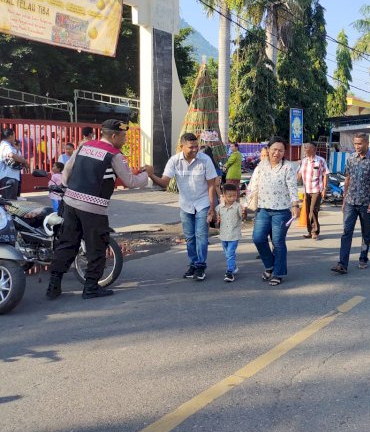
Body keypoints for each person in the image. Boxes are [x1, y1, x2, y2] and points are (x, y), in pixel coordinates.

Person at [47, 120, 149, 300]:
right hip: (93, 209)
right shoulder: (114, 154)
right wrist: (147, 174)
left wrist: (66, 189)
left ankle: (53, 285)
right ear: (114, 136)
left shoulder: (84, 146)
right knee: (97, 247)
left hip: (70, 203)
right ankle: (91, 287)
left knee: (67, 243)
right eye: (123, 137)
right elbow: (131, 182)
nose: (125, 141)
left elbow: (67, 170)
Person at [146, 133, 219, 282]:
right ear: (182, 147)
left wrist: (212, 208)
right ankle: (193, 263)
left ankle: (200, 265)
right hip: (186, 205)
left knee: (201, 236)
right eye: (191, 147)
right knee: (190, 237)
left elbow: (212, 185)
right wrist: (151, 175)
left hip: (203, 203)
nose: (195, 150)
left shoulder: (205, 160)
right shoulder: (174, 161)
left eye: (196, 146)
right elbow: (164, 183)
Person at [248, 136, 299, 286]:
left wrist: (295, 205)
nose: (277, 153)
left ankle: (278, 272)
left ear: (284, 152)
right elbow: (253, 186)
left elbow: (292, 188)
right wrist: (246, 205)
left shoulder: (288, 167)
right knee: (258, 238)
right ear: (268, 150)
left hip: (281, 211)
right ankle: (270, 266)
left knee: (278, 242)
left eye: (280, 150)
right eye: (274, 149)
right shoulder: (261, 166)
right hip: (263, 209)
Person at [331, 133, 370, 274]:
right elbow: (347, 179)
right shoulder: (350, 159)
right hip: (350, 202)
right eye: (355, 144)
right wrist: (344, 200)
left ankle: (363, 257)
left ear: (367, 143)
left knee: (366, 232)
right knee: (346, 232)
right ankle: (342, 264)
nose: (357, 146)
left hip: (367, 202)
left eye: (359, 143)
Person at [297, 142, 329, 239]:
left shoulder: (320, 161)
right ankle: (310, 231)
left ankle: (315, 231)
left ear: (314, 149)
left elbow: (326, 174)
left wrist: (324, 189)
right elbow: (299, 174)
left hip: (317, 189)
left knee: (313, 210)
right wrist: (293, 184)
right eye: (305, 147)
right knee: (307, 211)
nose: (305, 149)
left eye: (308, 148)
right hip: (306, 190)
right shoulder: (304, 161)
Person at [217, 183, 244, 283]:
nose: (232, 198)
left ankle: (230, 272)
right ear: (223, 196)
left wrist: (244, 213)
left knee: (230, 254)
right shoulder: (219, 207)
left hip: (234, 235)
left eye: (235, 196)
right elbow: (216, 218)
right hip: (223, 235)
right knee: (227, 253)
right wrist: (214, 219)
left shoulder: (237, 207)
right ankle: (233, 266)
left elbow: (242, 217)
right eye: (229, 196)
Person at [0, 128, 27, 199]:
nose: (14, 138)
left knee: (7, 201)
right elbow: (11, 155)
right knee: (11, 203)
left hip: (8, 177)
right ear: (10, 136)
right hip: (9, 177)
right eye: (14, 136)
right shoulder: (6, 145)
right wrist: (24, 162)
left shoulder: (6, 145)